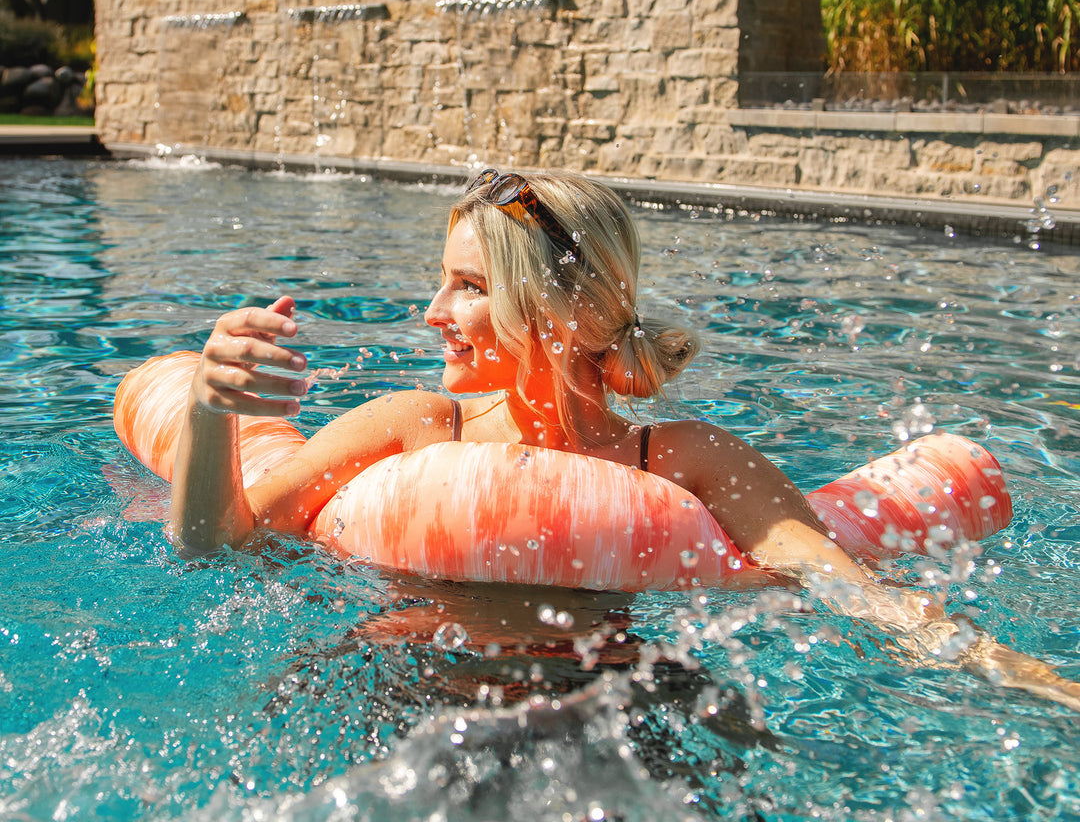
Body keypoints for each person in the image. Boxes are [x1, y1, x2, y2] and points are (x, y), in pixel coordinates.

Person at [170, 167, 1080, 710]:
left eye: (467, 287)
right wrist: (214, 411)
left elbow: (842, 584)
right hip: (403, 682)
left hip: (611, 698)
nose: (433, 312)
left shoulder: (683, 460)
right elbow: (216, 545)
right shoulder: (415, 426)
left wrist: (1026, 676)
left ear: (552, 308)